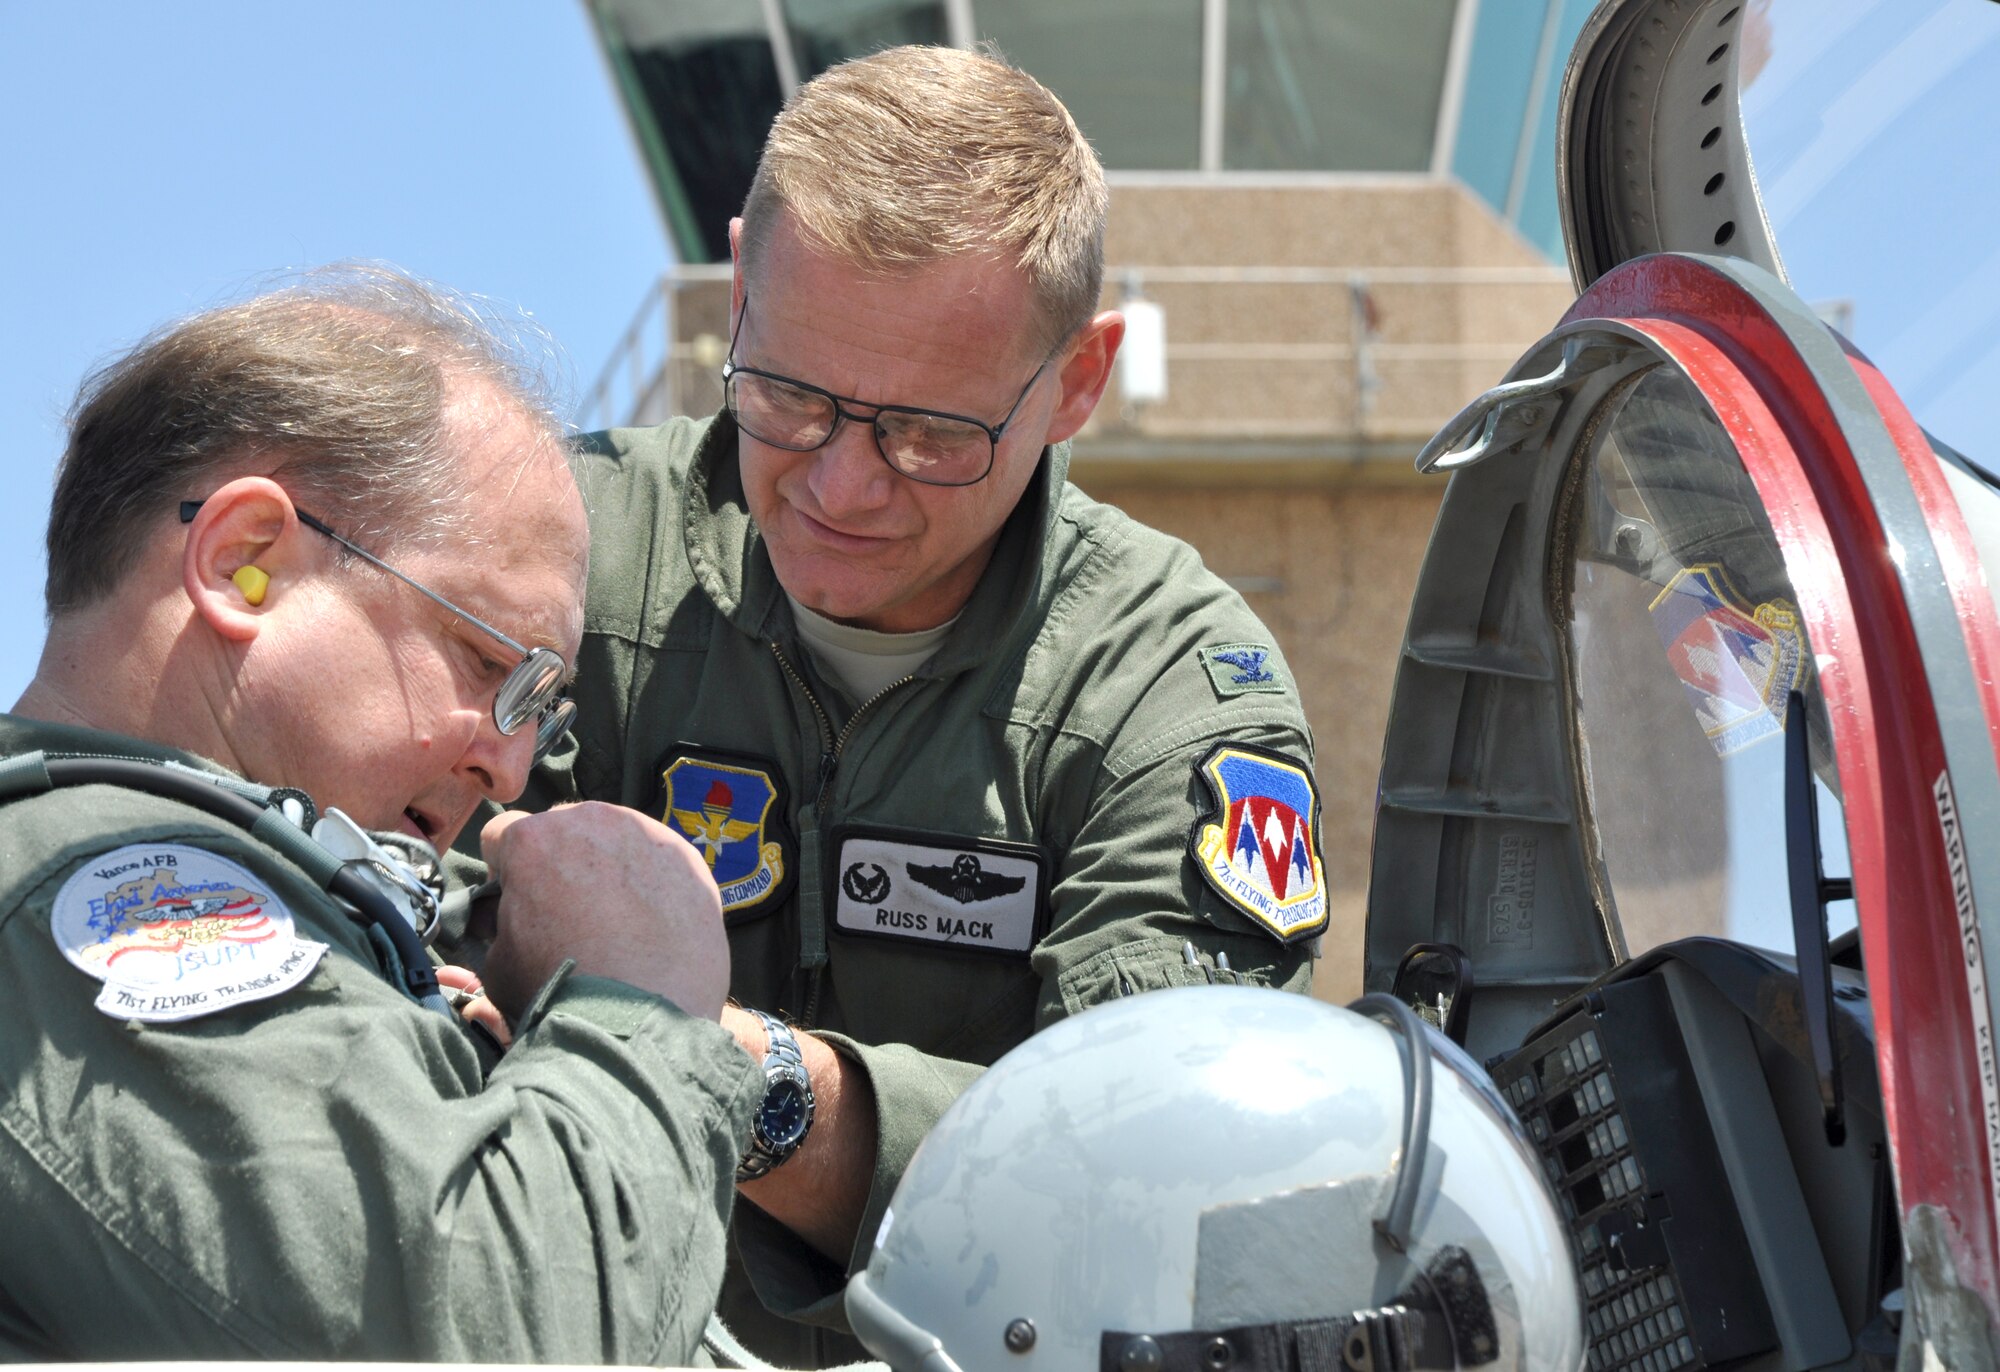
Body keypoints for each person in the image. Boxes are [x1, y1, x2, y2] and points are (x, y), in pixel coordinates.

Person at [502, 44, 1325, 1365]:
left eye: (932, 433)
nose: (842, 486)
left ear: (1075, 382)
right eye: (787, 395)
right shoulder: (543, 559)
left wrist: (724, 1074)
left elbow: (1151, 1178)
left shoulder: (1167, 694)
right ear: (739, 288)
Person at [0, 270, 759, 1362]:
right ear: (243, 562)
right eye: (489, 661)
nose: (508, 765)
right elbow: (500, 1334)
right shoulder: (99, 889)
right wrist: (635, 1001)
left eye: (538, 711)